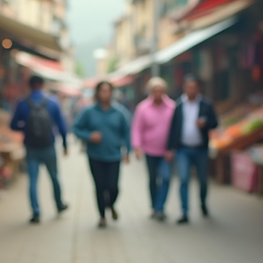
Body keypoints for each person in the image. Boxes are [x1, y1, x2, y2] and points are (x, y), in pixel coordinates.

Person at [10, 75, 69, 223]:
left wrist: (25, 127)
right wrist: (65, 144)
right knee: (54, 177)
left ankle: (36, 212)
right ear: (42, 85)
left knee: (33, 180)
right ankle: (59, 203)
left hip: (31, 147)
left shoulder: (23, 103)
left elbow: (13, 125)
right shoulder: (53, 102)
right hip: (49, 146)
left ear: (30, 86)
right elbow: (62, 125)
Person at [73, 81, 131, 229]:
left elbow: (127, 132)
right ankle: (102, 216)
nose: (105, 94)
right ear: (97, 93)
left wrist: (128, 151)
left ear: (112, 93)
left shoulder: (120, 112)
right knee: (99, 186)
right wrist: (89, 135)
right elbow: (76, 128)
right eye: (102, 91)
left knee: (113, 187)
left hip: (114, 155)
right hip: (95, 155)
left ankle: (110, 205)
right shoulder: (89, 111)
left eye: (108, 91)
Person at [165, 75, 219, 224]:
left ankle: (202, 203)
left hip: (201, 149)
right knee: (183, 179)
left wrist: (205, 123)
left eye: (194, 87)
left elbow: (215, 123)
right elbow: (173, 128)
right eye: (189, 87)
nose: (191, 90)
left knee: (202, 180)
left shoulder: (206, 104)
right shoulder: (178, 105)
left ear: (198, 89)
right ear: (184, 88)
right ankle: (184, 211)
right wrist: (170, 149)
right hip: (183, 149)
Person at [131, 77, 175, 221]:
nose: (158, 93)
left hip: (166, 151)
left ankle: (160, 207)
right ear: (150, 91)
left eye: (160, 90)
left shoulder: (172, 107)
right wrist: (137, 147)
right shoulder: (143, 108)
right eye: (155, 90)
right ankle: (154, 205)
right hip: (150, 150)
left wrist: (173, 148)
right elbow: (137, 128)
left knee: (166, 178)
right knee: (153, 179)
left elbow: (176, 129)